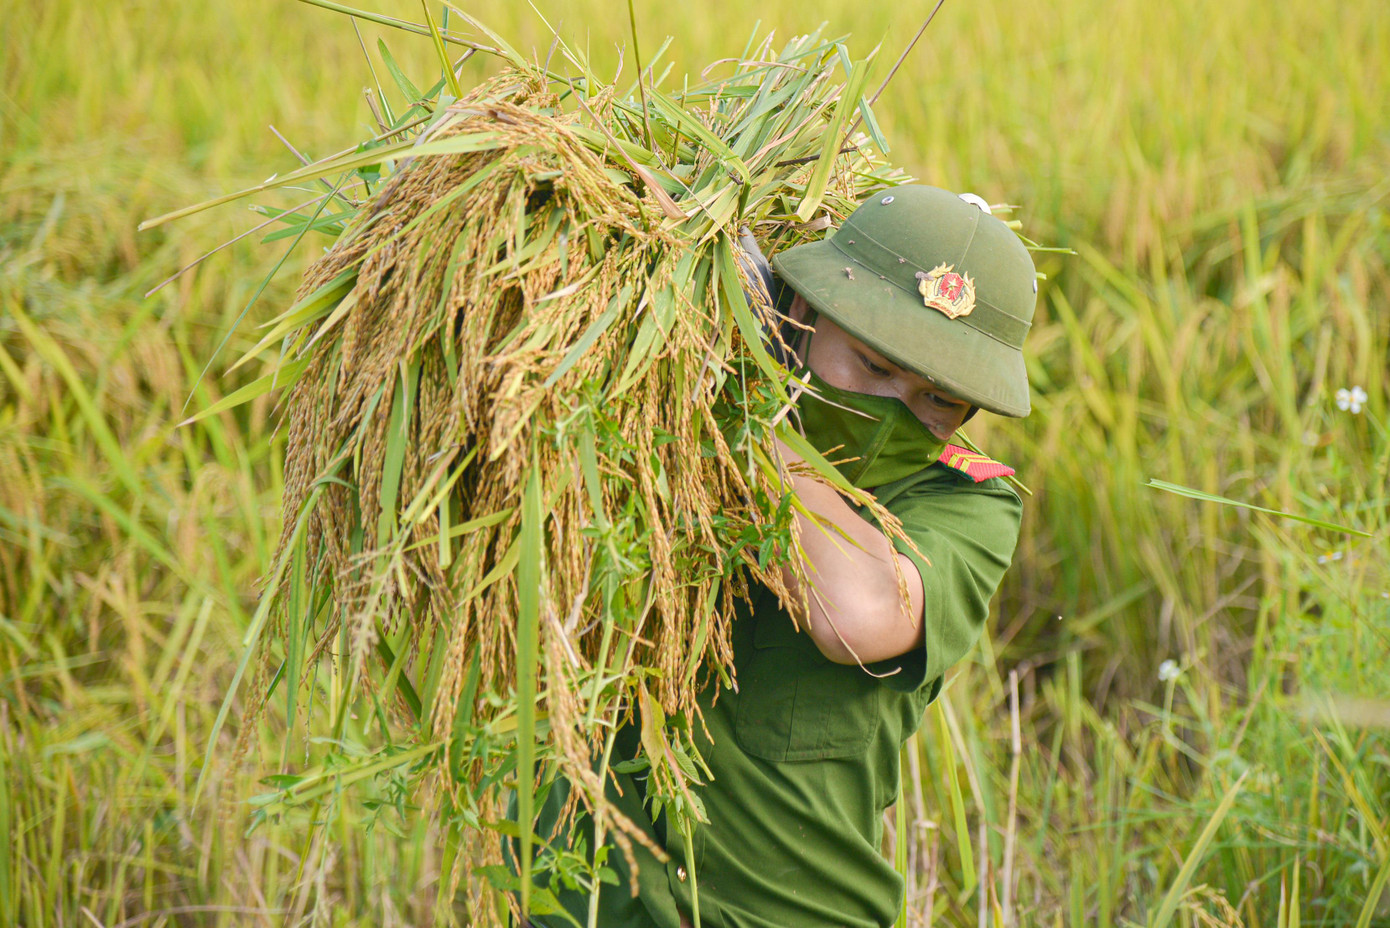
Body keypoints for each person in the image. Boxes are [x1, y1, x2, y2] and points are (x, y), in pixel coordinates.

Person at [524, 184, 1037, 928]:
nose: (890, 410)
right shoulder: (643, 417)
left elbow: (856, 617)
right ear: (799, 312)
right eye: (870, 365)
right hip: (584, 900)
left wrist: (744, 400)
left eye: (938, 400)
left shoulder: (963, 506)